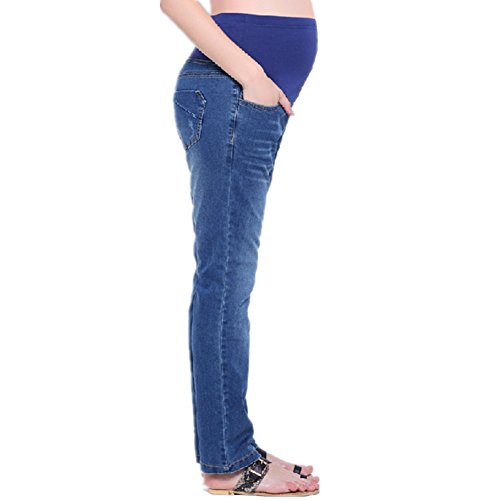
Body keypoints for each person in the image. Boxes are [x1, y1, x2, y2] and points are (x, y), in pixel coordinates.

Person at [161, 0, 320, 495]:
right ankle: (228, 461)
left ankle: (235, 448)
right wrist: (252, 76)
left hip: (245, 96)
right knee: (225, 280)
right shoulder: (244, 80)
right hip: (233, 89)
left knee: (229, 279)